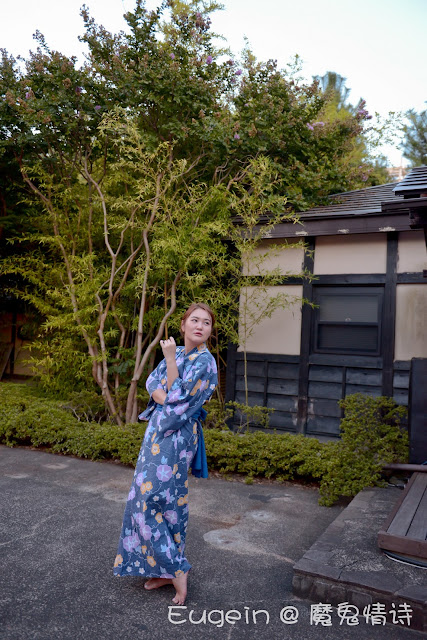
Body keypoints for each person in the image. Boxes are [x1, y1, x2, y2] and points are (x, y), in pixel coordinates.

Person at [113, 303, 218, 605]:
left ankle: (177, 569)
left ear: (210, 331)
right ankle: (163, 569)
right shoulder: (181, 353)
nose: (200, 326)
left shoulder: (205, 362)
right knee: (163, 503)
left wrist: (170, 363)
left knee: (150, 499)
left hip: (177, 438)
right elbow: (153, 384)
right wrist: (167, 395)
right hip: (157, 435)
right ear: (183, 325)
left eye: (206, 323)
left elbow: (178, 402)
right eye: (194, 320)